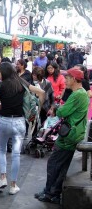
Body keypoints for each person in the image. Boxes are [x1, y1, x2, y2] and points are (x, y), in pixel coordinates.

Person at [35, 67, 89, 204]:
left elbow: (63, 112)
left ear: (74, 79)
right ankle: (52, 191)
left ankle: (50, 193)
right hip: (74, 133)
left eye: (67, 78)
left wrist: (57, 108)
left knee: (54, 163)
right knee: (61, 165)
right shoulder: (81, 93)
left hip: (69, 135)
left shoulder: (77, 94)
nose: (65, 80)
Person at [0, 62, 45, 195]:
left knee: (2, 150)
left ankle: (3, 178)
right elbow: (41, 92)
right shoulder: (21, 82)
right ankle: (13, 185)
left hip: (4, 121)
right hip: (19, 122)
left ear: (3, 72)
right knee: (16, 154)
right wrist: (38, 108)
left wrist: (4, 105)